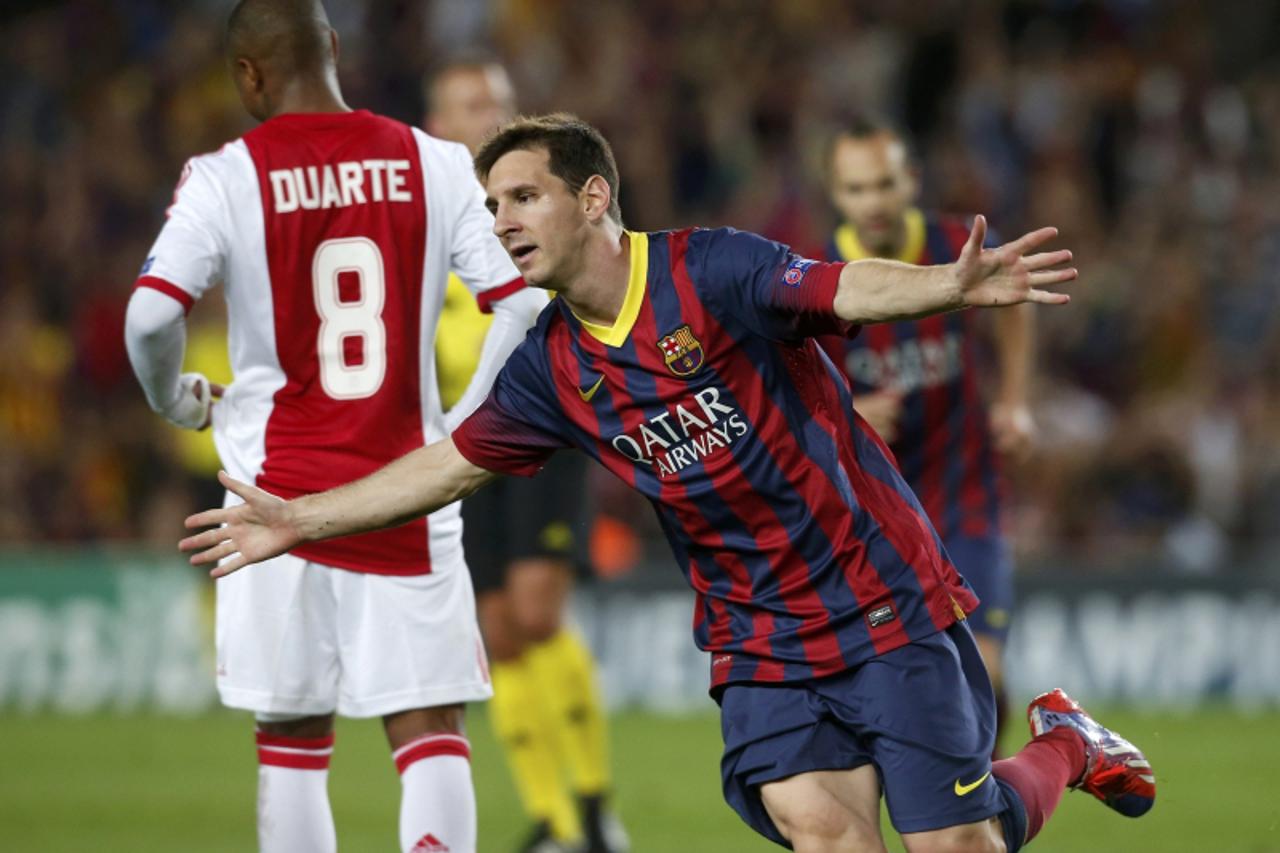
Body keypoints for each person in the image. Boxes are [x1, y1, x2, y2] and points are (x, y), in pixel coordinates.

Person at [180, 114, 1156, 853]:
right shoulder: (548, 368)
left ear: (594, 197)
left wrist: (946, 283)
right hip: (756, 635)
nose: (501, 221)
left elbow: (836, 288)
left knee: (954, 843)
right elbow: (446, 467)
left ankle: (1062, 743)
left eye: (522, 196)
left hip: (877, 594)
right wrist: (298, 517)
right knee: (827, 834)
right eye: (490, 207)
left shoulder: (710, 271)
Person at [123, 3, 546, 852]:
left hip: (268, 504)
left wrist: (175, 401)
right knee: (428, 729)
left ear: (248, 74)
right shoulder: (434, 162)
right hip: (405, 491)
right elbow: (525, 301)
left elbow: (149, 315)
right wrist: (463, 428)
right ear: (334, 51)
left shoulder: (225, 175)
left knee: (292, 744)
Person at [423, 58, 627, 853]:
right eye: (473, 102)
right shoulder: (430, 218)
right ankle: (555, 820)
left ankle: (596, 802)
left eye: (501, 102)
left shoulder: (541, 199)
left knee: (539, 612)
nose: (491, 113)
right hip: (464, 436)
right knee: (499, 630)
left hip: (545, 416)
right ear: (437, 124)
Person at [821, 117, 1032, 753]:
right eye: (857, 189)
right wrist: (848, 413)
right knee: (917, 687)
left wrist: (1016, 399)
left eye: (884, 183)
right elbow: (789, 389)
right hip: (876, 509)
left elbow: (1015, 303)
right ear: (837, 195)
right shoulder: (814, 277)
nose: (873, 201)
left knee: (977, 675)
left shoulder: (956, 245)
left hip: (964, 488)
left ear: (910, 180)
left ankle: (982, 811)